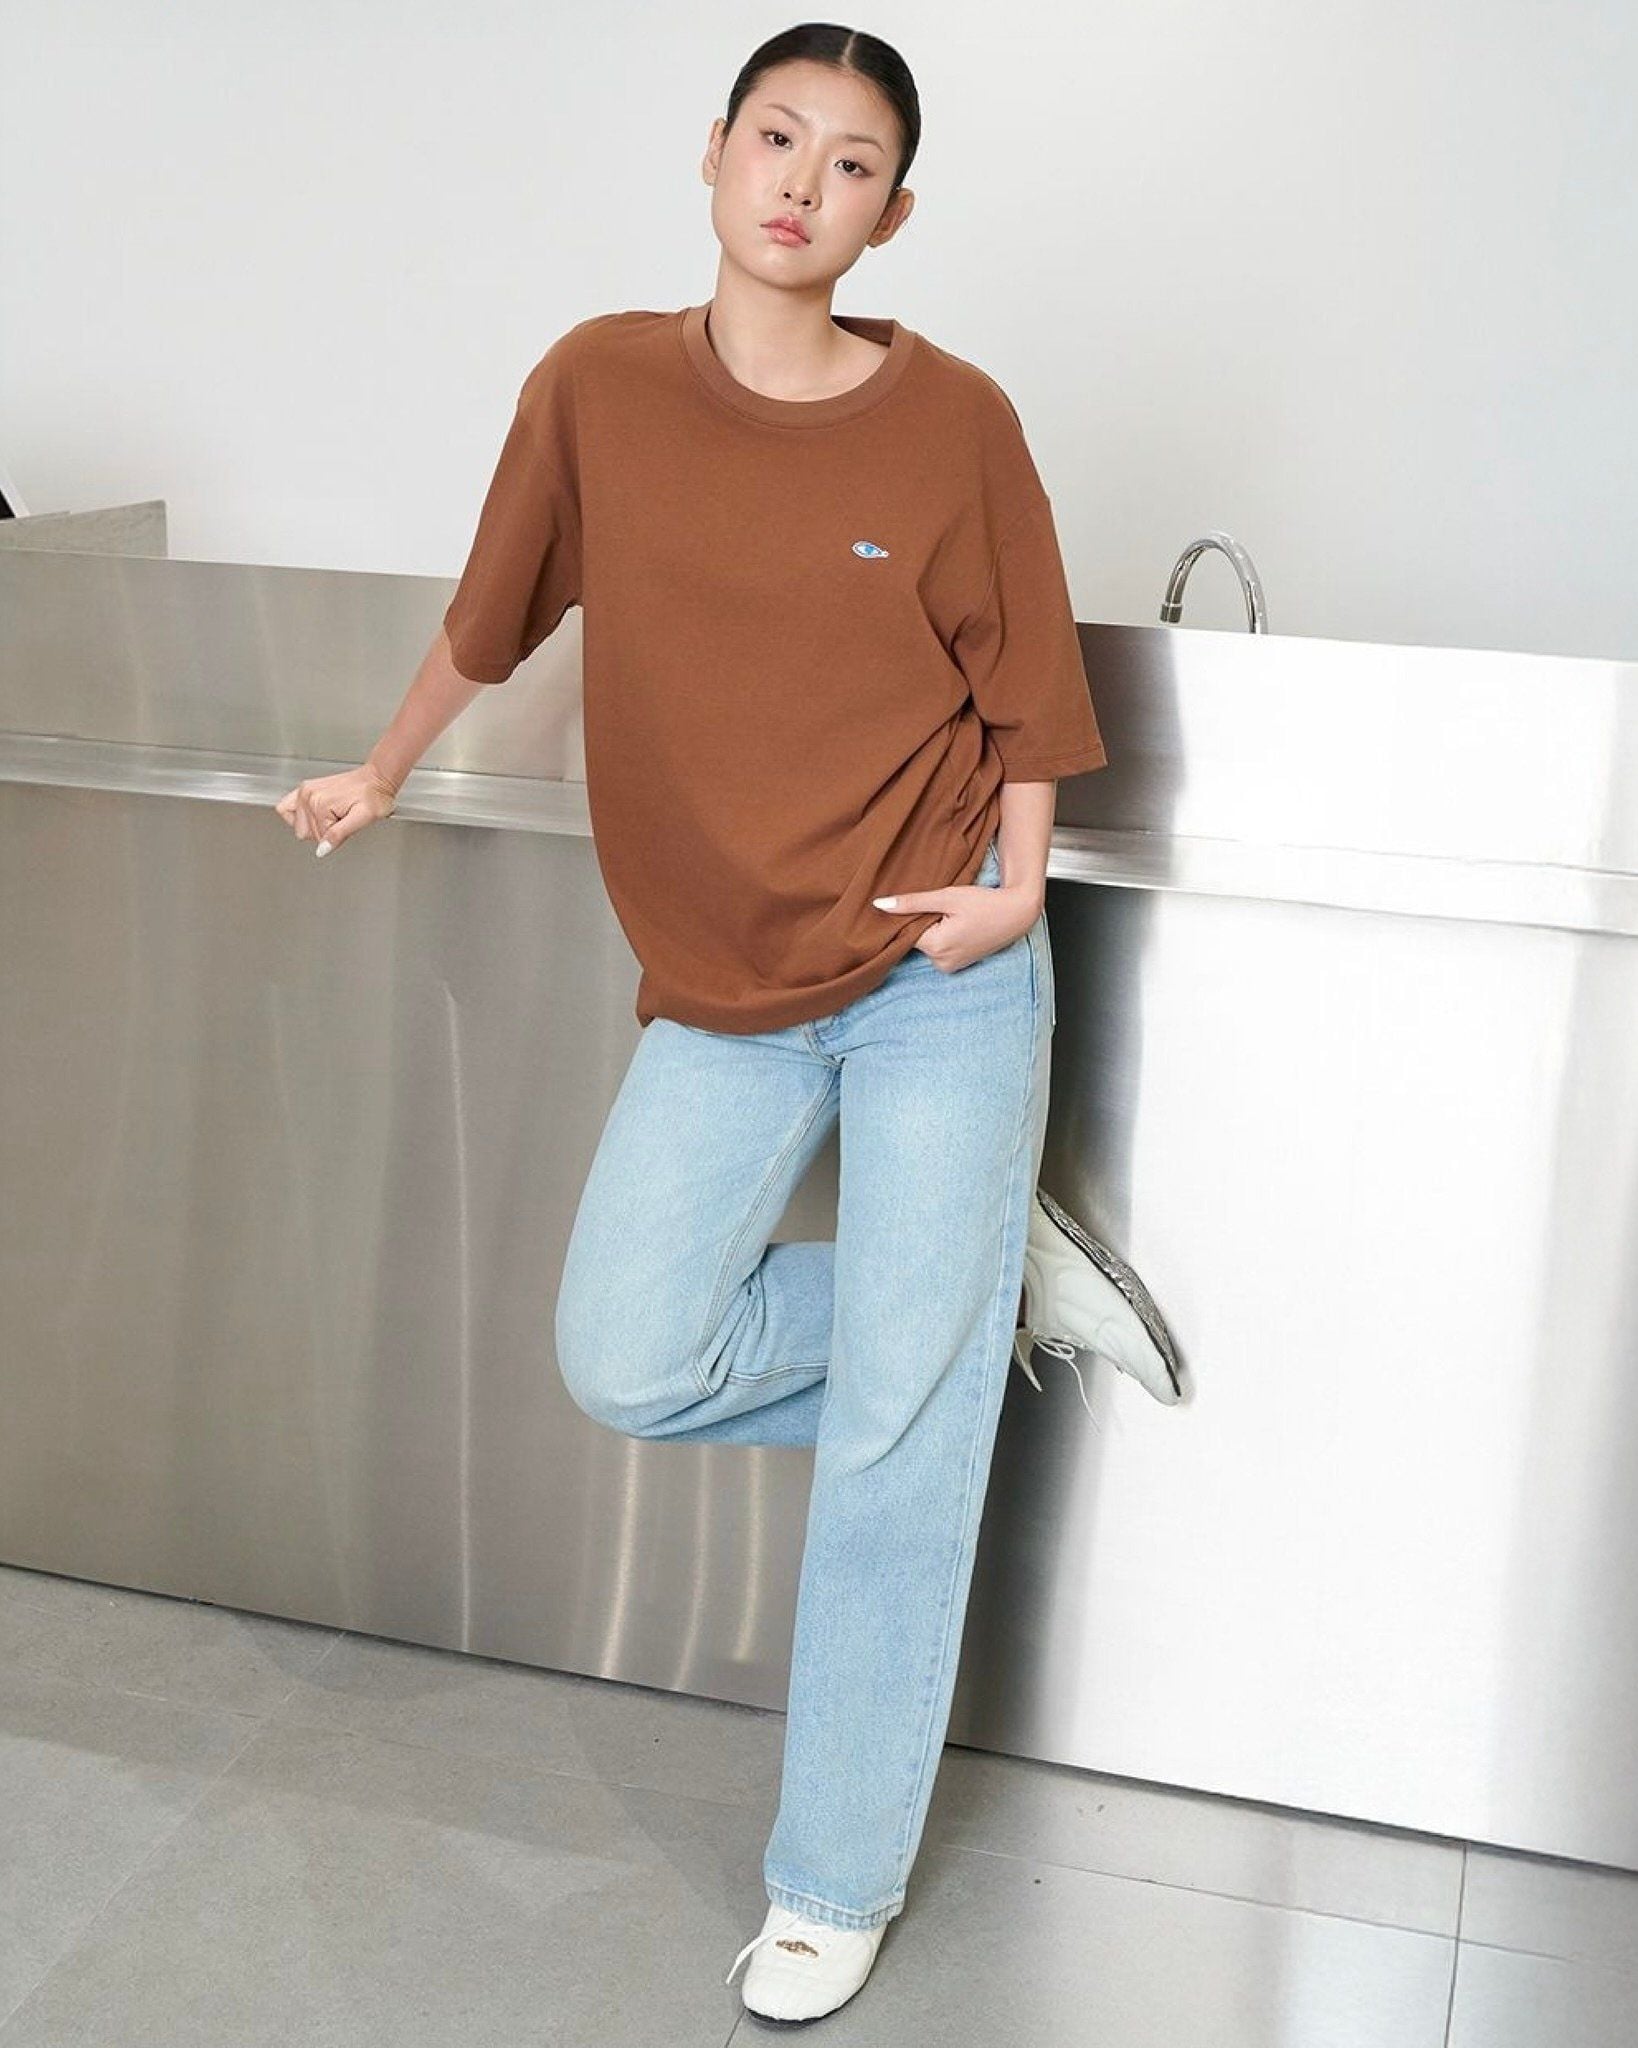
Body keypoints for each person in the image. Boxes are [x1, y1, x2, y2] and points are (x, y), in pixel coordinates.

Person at [276, 22, 1118, 2024]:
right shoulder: (597, 385)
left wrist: (1014, 888)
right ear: (717, 153)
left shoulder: (954, 420)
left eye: (852, 163)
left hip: (937, 969)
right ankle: (989, 1285)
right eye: (778, 138)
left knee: (895, 1441)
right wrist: (383, 768)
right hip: (730, 985)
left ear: (891, 214)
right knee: (629, 1349)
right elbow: (491, 616)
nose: (804, 183)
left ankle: (830, 1880)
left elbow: (1027, 681)